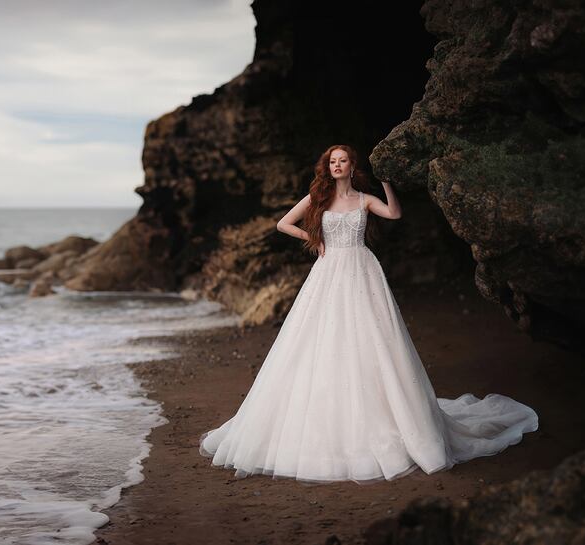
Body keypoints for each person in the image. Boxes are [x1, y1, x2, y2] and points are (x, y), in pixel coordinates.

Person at [198, 144, 539, 484]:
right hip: (329, 271)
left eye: (342, 160)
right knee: (321, 339)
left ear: (351, 166)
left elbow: (394, 214)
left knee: (372, 339)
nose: (336, 165)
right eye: (332, 161)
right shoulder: (318, 198)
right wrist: (314, 239)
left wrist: (386, 181)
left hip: (362, 270)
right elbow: (282, 223)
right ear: (327, 166)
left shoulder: (363, 199)